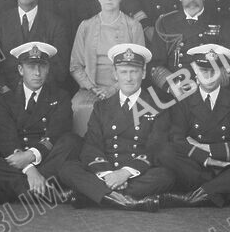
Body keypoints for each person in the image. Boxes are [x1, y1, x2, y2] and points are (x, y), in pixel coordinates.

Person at [58, 44, 174, 212]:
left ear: (143, 73)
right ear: (115, 74)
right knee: (67, 169)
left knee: (165, 176)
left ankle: (95, 195)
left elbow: (156, 147)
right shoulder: (101, 107)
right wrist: (107, 174)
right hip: (106, 170)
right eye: (123, 72)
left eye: (134, 71)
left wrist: (124, 173)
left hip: (136, 173)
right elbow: (91, 146)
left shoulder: (156, 106)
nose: (128, 78)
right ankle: (126, 200)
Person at [158, 44, 230, 207]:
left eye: (213, 71)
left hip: (227, 166)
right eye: (203, 71)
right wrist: (206, 159)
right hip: (197, 167)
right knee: (166, 152)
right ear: (195, 72)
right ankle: (225, 190)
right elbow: (177, 140)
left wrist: (205, 148)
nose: (208, 77)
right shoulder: (183, 103)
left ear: (222, 72)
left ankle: (198, 196)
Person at [0, 42, 77, 202]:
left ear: (48, 69)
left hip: (46, 158)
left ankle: (22, 191)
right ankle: (47, 193)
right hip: (19, 161)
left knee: (71, 141)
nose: (37, 73)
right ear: (20, 70)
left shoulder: (60, 96)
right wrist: (30, 169)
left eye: (42, 66)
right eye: (31, 67)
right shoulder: (4, 100)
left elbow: (57, 133)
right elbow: (6, 140)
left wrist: (31, 156)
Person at [68, 0, 145, 134]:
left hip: (125, 88)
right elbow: (75, 66)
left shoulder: (133, 27)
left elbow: (141, 67)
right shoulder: (86, 26)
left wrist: (114, 89)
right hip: (91, 90)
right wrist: (91, 87)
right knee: (77, 109)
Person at [149, 0, 230, 98]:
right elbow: (155, 64)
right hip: (175, 93)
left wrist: (212, 83)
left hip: (210, 90)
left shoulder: (221, 22)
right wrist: (174, 86)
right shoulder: (165, 23)